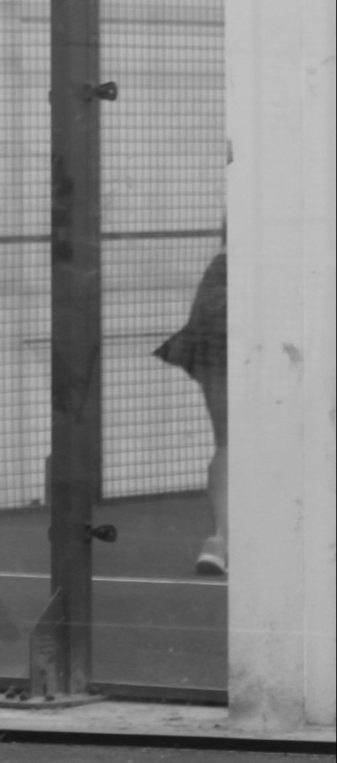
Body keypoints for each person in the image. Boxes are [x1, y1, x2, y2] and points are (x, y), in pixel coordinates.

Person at [154, 241, 227, 576]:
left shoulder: (221, 265)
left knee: (228, 444)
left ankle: (220, 541)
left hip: (216, 345)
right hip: (234, 347)